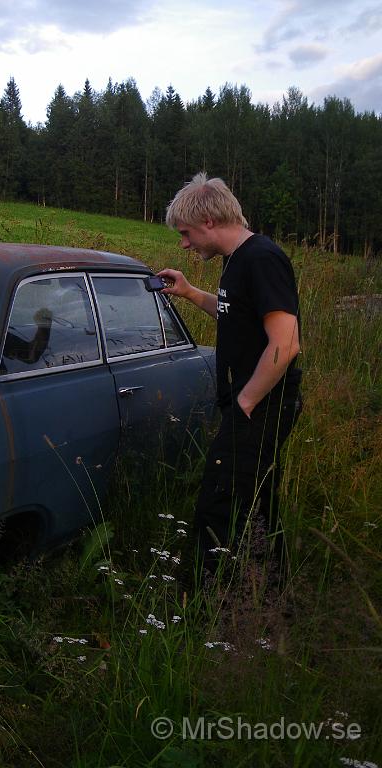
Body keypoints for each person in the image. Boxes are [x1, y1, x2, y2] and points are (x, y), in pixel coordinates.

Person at [157, 173, 302, 578]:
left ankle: (210, 606)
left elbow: (285, 344)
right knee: (258, 503)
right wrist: (189, 292)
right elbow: (233, 313)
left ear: (208, 222)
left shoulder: (262, 259)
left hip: (261, 407)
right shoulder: (237, 260)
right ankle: (271, 599)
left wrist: (245, 402)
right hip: (254, 405)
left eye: (186, 233)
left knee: (218, 507)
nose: (184, 243)